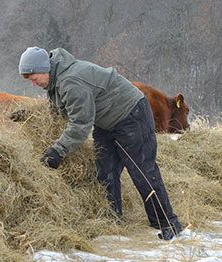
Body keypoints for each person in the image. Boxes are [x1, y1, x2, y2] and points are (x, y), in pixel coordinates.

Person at [18, 46, 182, 240]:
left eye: (34, 79)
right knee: (105, 171)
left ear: (44, 68)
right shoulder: (55, 80)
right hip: (106, 121)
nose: (34, 85)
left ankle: (168, 223)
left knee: (142, 171)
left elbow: (80, 124)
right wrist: (30, 115)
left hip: (131, 114)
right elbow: (60, 110)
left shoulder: (71, 81)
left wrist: (58, 151)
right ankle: (113, 219)